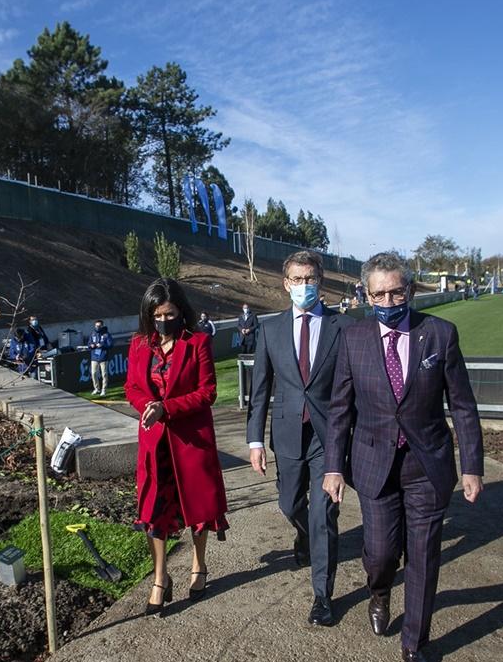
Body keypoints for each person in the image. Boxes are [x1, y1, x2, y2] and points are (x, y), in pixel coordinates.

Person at [323, 252, 484, 662]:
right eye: (379, 293)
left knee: (425, 557)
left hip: (427, 466)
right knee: (379, 553)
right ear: (367, 295)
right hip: (374, 465)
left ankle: (414, 644)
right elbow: (339, 409)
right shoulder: (353, 338)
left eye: (396, 291)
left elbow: (463, 406)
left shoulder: (440, 335)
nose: (389, 299)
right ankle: (379, 591)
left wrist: (472, 466)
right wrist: (333, 468)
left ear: (409, 290)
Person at [246, 251, 345, 626]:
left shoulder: (343, 327)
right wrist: (255, 441)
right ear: (285, 283)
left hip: (328, 436)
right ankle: (302, 536)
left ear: (320, 281)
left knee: (323, 514)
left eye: (310, 279)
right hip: (287, 433)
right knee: (290, 506)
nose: (304, 286)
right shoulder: (270, 329)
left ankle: (322, 595)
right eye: (297, 279)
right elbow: (259, 391)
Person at [124, 278, 228, 616]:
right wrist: (148, 407)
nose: (163, 320)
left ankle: (199, 566)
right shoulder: (139, 344)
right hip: (154, 441)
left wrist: (167, 408)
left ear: (181, 312)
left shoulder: (197, 342)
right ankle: (160, 577)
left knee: (197, 508)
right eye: (156, 314)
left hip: (191, 440)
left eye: (169, 313)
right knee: (154, 509)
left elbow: (206, 392)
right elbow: (131, 387)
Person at [88, 319, 113, 396]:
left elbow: (111, 345)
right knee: (93, 373)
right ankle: (96, 389)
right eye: (96, 325)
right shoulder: (92, 333)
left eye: (99, 326)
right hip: (94, 356)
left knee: (104, 374)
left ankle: (104, 390)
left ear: (102, 325)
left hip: (103, 356)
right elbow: (89, 343)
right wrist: (91, 345)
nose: (97, 327)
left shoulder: (106, 334)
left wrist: (102, 345)